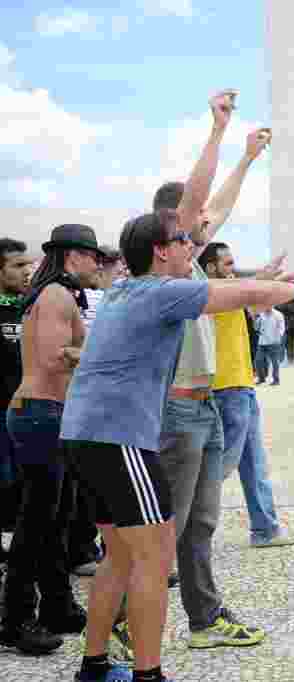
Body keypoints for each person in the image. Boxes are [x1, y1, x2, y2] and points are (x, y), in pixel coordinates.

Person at [62, 208, 294, 682]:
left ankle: (95, 665)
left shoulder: (125, 287)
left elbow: (239, 285)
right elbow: (246, 293)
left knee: (120, 555)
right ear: (161, 251)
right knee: (154, 559)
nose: (191, 246)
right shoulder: (162, 292)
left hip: (84, 434)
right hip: (118, 437)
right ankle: (148, 673)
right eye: (183, 239)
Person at [148, 115, 277, 655]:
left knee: (200, 523)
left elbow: (216, 206)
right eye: (193, 220)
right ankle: (135, 623)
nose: (206, 224)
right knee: (166, 530)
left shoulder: (190, 265)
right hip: (176, 413)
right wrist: (219, 134)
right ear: (170, 228)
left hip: (205, 409)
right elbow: (203, 201)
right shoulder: (161, 273)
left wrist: (247, 159)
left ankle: (204, 618)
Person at [1, 224, 104, 656]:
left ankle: (57, 606)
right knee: (36, 522)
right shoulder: (56, 295)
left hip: (49, 414)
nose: (97, 263)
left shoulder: (58, 294)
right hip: (40, 413)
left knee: (57, 517)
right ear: (71, 256)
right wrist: (102, 354)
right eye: (91, 255)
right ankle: (14, 620)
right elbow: (51, 358)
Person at [199, 241, 294, 549]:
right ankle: (184, 530)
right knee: (217, 469)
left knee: (254, 463)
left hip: (243, 388)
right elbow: (253, 288)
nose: (232, 269)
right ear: (210, 268)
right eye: (227, 264)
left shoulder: (232, 294)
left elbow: (259, 292)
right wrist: (266, 276)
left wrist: (274, 279)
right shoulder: (208, 293)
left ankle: (265, 529)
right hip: (226, 389)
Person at [70, 244, 125, 580]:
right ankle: (83, 550)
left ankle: (108, 552)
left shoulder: (117, 300)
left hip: (112, 399)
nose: (121, 276)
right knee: (90, 486)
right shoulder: (86, 301)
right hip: (90, 400)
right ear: (101, 270)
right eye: (116, 271)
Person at [0, 238, 32, 604]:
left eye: (28, 264)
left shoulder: (27, 307)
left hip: (24, 414)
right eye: (16, 266)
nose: (26, 271)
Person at [255, 306, 286, 386]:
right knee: (258, 360)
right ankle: (261, 378)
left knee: (275, 362)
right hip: (262, 342)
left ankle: (276, 380)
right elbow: (256, 327)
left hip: (274, 342)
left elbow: (282, 327)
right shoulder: (261, 315)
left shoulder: (278, 315)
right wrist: (256, 322)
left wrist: (279, 336)